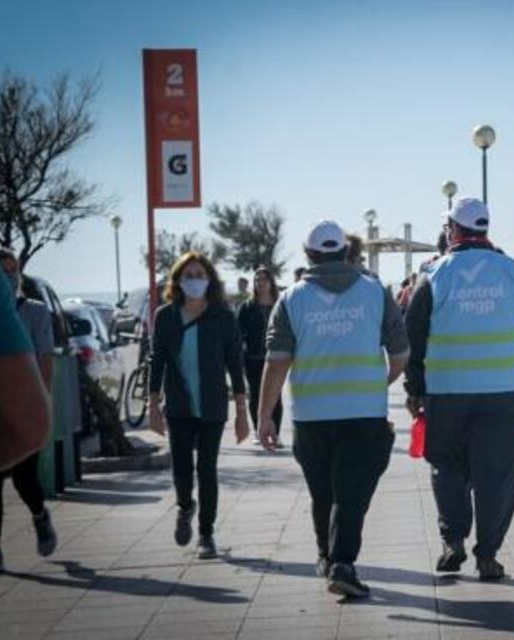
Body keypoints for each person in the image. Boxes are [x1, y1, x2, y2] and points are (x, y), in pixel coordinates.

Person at [257, 221, 408, 598]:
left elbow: (276, 362)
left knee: (323, 493)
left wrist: (264, 416)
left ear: (308, 255)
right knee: (351, 493)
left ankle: (327, 558)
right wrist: (382, 382)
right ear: (344, 251)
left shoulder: (291, 299)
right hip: (363, 414)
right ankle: (341, 563)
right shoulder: (375, 292)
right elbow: (401, 351)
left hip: (310, 416)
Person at [405, 197, 514, 581]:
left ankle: (453, 541)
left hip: (447, 393)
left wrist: (414, 388)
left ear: (453, 230)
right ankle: (488, 555)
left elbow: (413, 335)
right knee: (498, 475)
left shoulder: (433, 273)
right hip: (502, 393)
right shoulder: (513, 271)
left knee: (446, 465)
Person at [148, 251, 250, 559]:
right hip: (178, 405)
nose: (195, 281)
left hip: (212, 405)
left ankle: (206, 534)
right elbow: (158, 361)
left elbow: (235, 363)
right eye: (188, 276)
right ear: (178, 281)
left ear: (210, 280)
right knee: (181, 467)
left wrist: (243, 413)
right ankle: (185, 506)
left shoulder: (223, 316)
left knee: (207, 469)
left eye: (200, 275)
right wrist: (153, 405)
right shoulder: (165, 316)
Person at [0, 250, 52, 640]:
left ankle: (39, 516)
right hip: (8, 415)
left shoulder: (36, 312)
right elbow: (27, 427)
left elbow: (47, 361)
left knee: (25, 481)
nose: (8, 277)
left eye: (14, 272)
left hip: (10, 409)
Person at [237, 267, 283, 445]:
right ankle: (259, 431)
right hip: (253, 359)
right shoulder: (247, 307)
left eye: (264, 279)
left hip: (276, 357)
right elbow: (238, 334)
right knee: (256, 395)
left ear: (271, 282)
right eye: (257, 279)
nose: (260, 282)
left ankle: (275, 434)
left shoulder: (280, 305)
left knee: (275, 395)